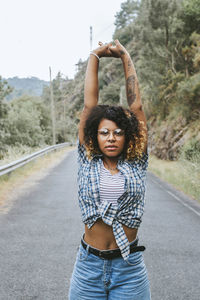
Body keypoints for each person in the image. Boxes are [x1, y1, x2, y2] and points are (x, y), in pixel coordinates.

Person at [68, 40, 151, 300]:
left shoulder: (136, 161)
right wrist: (95, 55)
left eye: (117, 133)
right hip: (88, 268)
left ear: (127, 137)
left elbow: (136, 108)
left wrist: (125, 54)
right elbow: (89, 107)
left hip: (129, 269)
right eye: (104, 133)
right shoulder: (88, 158)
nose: (111, 138)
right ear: (96, 136)